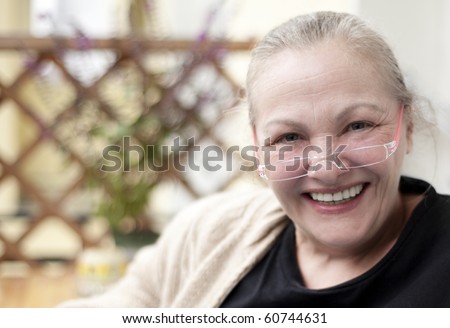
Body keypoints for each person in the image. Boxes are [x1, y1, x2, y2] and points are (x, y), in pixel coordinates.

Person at [61, 11, 450, 307]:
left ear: (408, 126)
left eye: (358, 125)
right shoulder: (208, 235)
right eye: (290, 137)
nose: (327, 168)